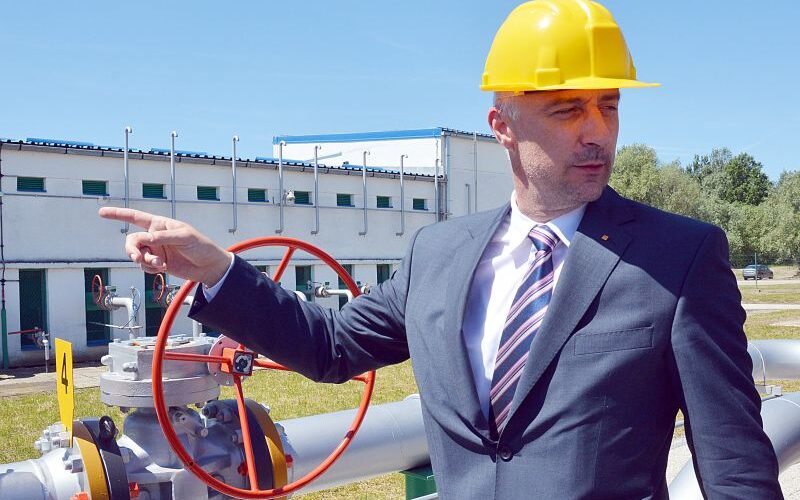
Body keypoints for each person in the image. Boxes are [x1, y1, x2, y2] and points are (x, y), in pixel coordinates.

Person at [100, 0, 782, 498]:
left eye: (608, 105)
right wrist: (219, 270)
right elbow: (330, 346)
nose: (597, 131)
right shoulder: (439, 254)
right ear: (501, 124)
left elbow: (735, 466)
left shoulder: (679, 258)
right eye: (567, 109)